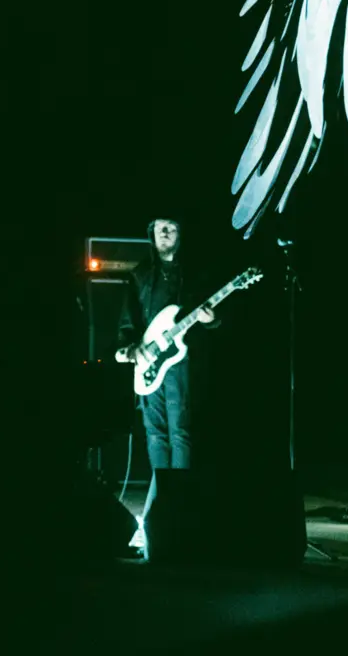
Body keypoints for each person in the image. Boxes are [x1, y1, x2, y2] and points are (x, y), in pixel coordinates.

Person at [115, 219, 220, 545]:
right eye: (159, 228)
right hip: (149, 365)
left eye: (171, 228)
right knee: (155, 434)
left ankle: (182, 507)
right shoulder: (140, 274)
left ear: (180, 233)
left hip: (180, 365)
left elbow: (212, 318)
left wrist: (212, 318)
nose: (164, 233)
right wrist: (132, 349)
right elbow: (128, 322)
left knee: (181, 433)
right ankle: (161, 507)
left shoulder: (194, 275)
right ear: (151, 234)